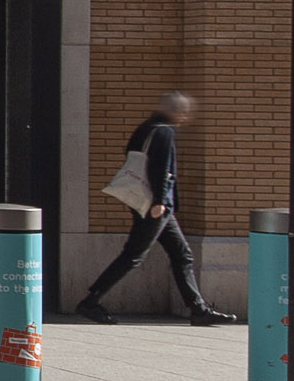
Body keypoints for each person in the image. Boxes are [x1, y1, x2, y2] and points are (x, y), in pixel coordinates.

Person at [77, 90, 237, 325]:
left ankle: (198, 309)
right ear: (173, 111)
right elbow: (162, 170)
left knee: (182, 254)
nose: (185, 117)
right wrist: (160, 201)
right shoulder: (164, 132)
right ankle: (90, 302)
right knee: (134, 255)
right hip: (156, 205)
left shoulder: (145, 129)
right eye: (182, 112)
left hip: (149, 203)